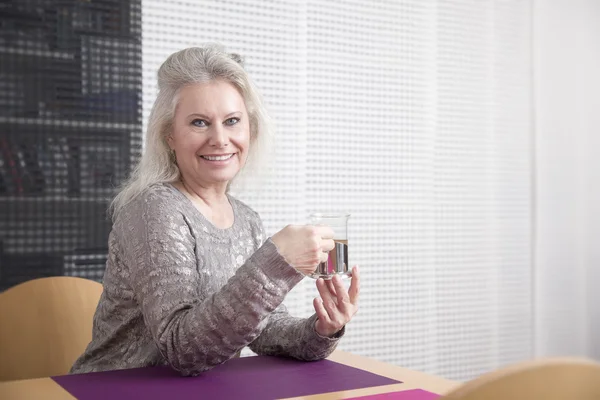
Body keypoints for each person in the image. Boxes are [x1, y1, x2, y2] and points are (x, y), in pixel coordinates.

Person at [70, 45, 360, 377]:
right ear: (170, 136)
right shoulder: (154, 210)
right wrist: (277, 261)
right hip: (113, 389)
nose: (220, 139)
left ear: (249, 129)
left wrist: (322, 329)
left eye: (232, 121)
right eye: (199, 123)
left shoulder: (247, 218)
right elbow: (183, 348)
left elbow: (264, 327)